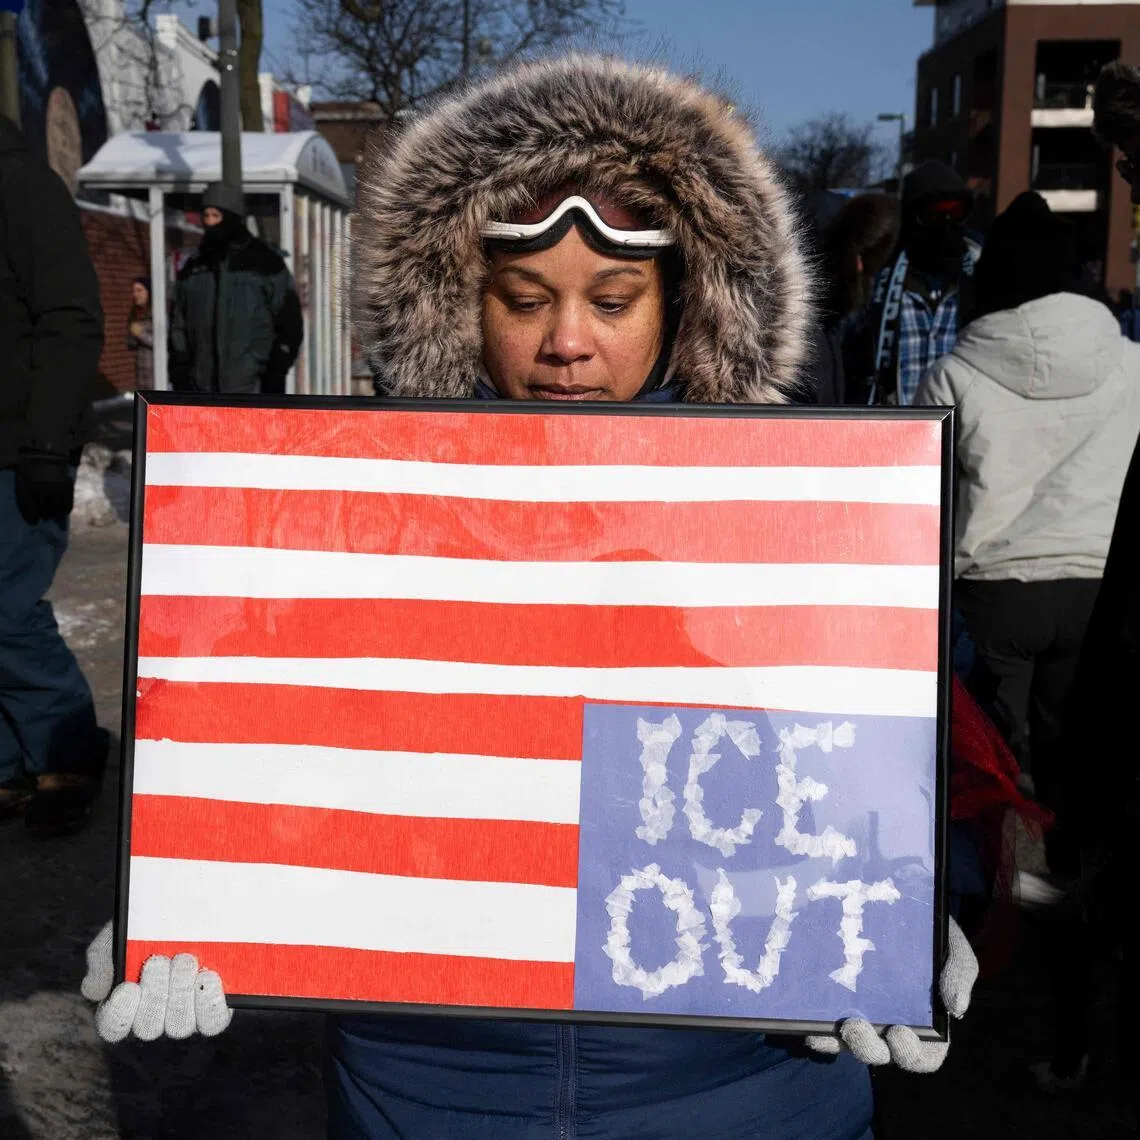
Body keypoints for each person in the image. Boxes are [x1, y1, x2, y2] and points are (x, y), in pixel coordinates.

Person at [80, 58, 978, 1139]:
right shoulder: (355, 521)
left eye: (611, 300)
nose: (566, 340)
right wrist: (176, 908)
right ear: (464, 302)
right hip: (431, 1093)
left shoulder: (807, 520)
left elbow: (908, 754)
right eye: (524, 298)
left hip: (743, 1095)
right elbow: (261, 757)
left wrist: (918, 904)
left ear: (681, 303)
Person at [916, 191, 1140, 812]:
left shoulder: (953, 373)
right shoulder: (1133, 364)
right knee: (1079, 765)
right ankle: (1076, 892)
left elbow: (923, 493)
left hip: (993, 589)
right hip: (1099, 584)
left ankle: (995, 897)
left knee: (986, 772)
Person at [0, 113, 108, 835]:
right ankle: (10, 769)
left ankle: (69, 757)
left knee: (8, 611)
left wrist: (47, 442)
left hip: (20, 448)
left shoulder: (21, 186)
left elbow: (70, 317)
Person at [843, 161, 980, 406]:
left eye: (957, 212)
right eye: (933, 215)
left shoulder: (982, 280)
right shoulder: (879, 281)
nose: (946, 225)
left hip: (962, 429)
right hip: (897, 429)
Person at [168, 182, 303, 394]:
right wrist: (180, 368)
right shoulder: (195, 267)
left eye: (216, 216)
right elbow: (178, 323)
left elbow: (289, 322)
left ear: (231, 216)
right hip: (202, 389)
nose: (210, 222)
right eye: (206, 216)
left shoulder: (265, 262)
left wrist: (275, 370)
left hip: (254, 388)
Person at [126, 276, 154, 389]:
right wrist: (131, 335)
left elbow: (161, 343)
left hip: (155, 371)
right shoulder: (135, 314)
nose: (135, 294)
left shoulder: (156, 313)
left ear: (148, 292)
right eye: (133, 291)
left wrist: (140, 334)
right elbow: (131, 345)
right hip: (141, 372)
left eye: (139, 290)